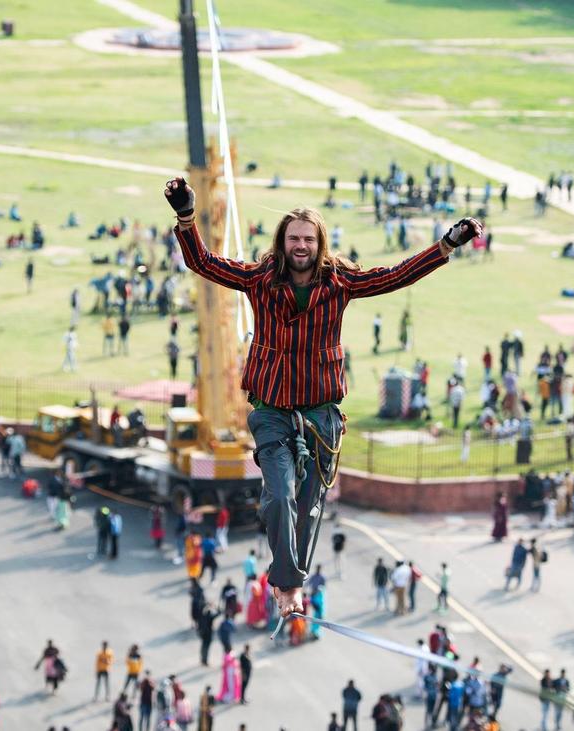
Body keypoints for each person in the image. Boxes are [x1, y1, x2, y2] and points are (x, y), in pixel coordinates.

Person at [165, 177, 476, 617]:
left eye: (308, 239)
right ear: (282, 242)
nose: (301, 246)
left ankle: (292, 585)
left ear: (319, 243)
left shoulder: (340, 282)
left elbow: (395, 276)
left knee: (311, 505)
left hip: (321, 412)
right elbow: (202, 262)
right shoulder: (259, 279)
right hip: (272, 409)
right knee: (280, 496)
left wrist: (446, 245)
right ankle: (285, 583)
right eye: (294, 238)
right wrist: (186, 214)